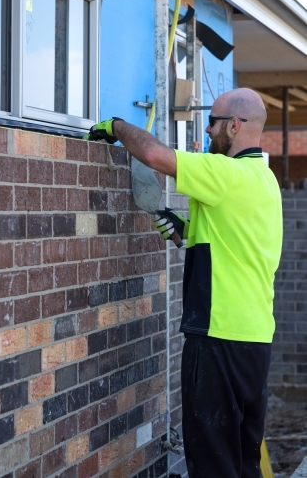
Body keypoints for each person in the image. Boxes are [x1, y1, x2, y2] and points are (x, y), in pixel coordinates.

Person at [85, 88, 283, 478]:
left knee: (212, 464)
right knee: (242, 462)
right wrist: (185, 229)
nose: (207, 129)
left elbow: (157, 156)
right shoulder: (265, 181)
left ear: (233, 125)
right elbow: (236, 239)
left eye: (212, 121)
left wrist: (117, 126)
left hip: (218, 340)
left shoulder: (225, 172)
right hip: (254, 343)